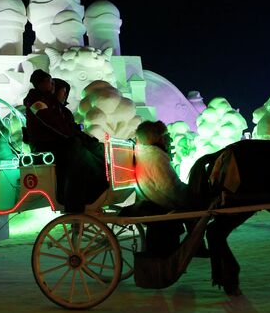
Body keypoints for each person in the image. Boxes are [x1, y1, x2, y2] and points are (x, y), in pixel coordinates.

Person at [23, 70, 107, 212]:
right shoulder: (37, 101)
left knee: (93, 148)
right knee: (76, 150)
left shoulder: (50, 101)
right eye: (50, 82)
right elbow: (52, 123)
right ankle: (74, 200)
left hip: (57, 143)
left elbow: (65, 126)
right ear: (43, 83)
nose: (52, 85)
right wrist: (71, 136)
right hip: (46, 146)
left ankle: (99, 184)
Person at [122, 120, 190, 255]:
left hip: (153, 197)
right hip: (161, 202)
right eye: (164, 136)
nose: (167, 140)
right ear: (158, 138)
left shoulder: (146, 153)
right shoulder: (155, 157)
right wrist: (189, 195)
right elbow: (170, 187)